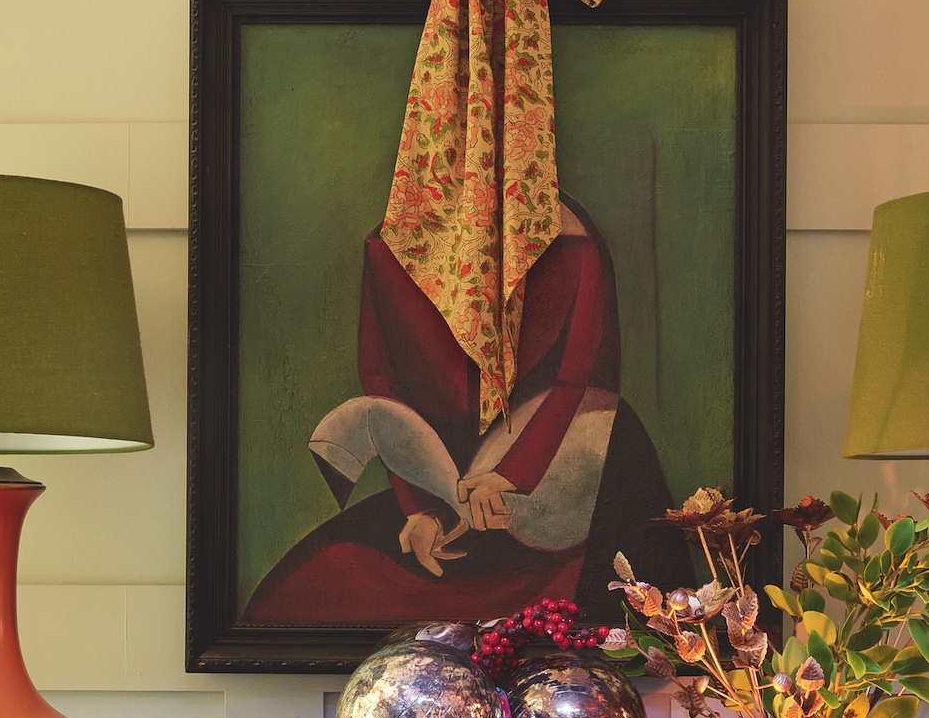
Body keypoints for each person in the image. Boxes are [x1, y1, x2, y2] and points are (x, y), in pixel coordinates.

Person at [244, 196, 693, 625]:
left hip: (577, 472)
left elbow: (576, 379)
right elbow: (382, 382)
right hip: (452, 484)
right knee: (316, 584)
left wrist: (513, 472)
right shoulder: (388, 246)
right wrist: (418, 507)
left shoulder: (571, 241)